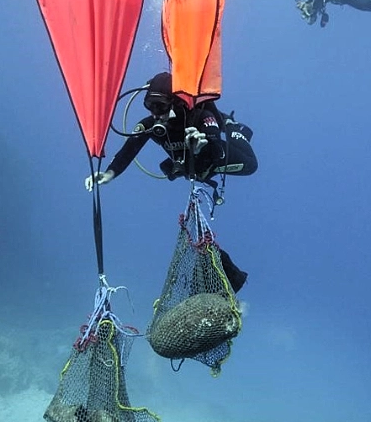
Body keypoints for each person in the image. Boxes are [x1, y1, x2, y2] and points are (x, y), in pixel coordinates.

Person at [85, 72, 256, 292]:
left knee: (251, 165)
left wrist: (203, 145)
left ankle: (232, 125)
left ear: (174, 102)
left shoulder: (201, 117)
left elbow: (217, 154)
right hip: (189, 168)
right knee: (177, 168)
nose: (156, 114)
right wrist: (108, 174)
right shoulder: (151, 125)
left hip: (213, 161)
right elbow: (128, 151)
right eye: (150, 106)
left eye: (161, 106)